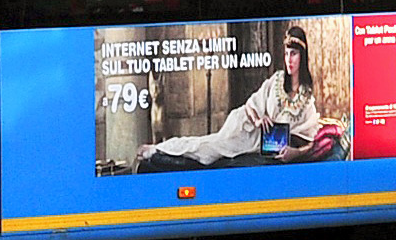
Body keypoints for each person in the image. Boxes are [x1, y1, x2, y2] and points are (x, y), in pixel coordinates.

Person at [135, 26, 322, 170]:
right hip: (245, 129)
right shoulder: (276, 81)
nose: (289, 59)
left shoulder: (307, 102)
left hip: (261, 146)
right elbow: (250, 106)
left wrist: (294, 153)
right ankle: (158, 149)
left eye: (294, 54)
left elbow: (311, 143)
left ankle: (160, 149)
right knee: (208, 147)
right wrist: (258, 119)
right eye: (287, 53)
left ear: (302, 56)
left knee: (209, 148)